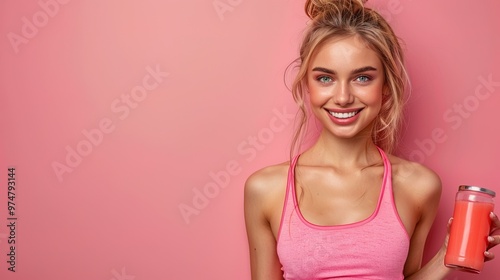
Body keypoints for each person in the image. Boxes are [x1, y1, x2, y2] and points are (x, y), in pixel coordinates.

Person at [243, 0, 500, 279]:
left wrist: (446, 256)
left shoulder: (419, 186)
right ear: (307, 84)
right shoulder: (266, 189)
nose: (342, 98)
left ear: (386, 88)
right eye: (325, 78)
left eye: (362, 78)